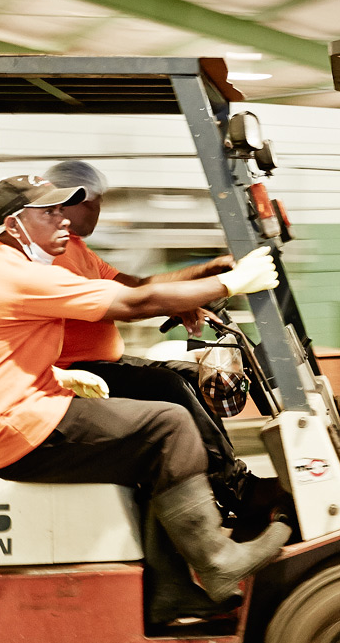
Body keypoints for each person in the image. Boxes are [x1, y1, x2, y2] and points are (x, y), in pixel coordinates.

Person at [0, 173, 286, 622]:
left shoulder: (6, 271)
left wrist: (64, 381)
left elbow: (3, 352)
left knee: (154, 425)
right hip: (17, 429)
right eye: (49, 212)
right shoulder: (12, 275)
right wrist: (232, 284)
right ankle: (218, 560)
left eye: (63, 209)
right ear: (13, 225)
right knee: (168, 423)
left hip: (26, 407)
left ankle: (169, 589)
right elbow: (134, 303)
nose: (63, 219)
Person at [40, 159, 259, 503]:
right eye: (97, 203)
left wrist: (206, 271)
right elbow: (133, 302)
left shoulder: (77, 249)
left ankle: (223, 474)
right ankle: (232, 487)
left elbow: (138, 284)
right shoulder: (56, 256)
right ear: (78, 200)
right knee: (167, 385)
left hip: (102, 362)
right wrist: (221, 284)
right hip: (76, 373)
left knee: (193, 377)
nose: (99, 211)